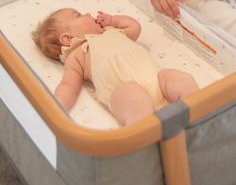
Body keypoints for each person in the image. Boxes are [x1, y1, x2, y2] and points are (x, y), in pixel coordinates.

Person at [32, 8, 198, 125]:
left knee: (181, 80)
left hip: (157, 79)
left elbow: (135, 28)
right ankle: (148, 134)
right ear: (67, 39)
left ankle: (199, 114)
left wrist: (113, 20)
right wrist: (54, 109)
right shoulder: (77, 55)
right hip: (121, 89)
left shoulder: (112, 31)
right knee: (133, 98)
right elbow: (68, 85)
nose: (89, 13)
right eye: (79, 15)